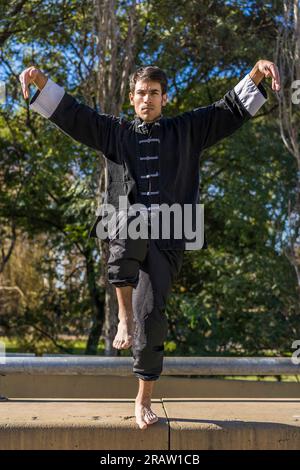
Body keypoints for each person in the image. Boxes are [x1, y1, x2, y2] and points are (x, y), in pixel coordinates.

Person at [19, 60, 280, 430]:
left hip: (171, 237)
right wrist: (41, 80)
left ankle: (143, 396)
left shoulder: (186, 130)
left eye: (154, 93)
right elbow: (73, 114)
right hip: (126, 230)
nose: (147, 99)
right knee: (127, 223)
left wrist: (256, 73)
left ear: (164, 98)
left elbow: (228, 110)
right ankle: (122, 316)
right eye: (141, 93)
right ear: (131, 97)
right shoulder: (114, 132)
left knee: (152, 319)